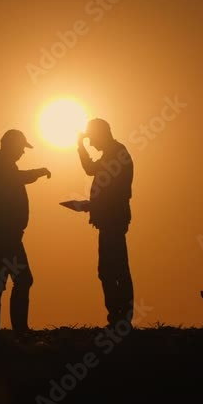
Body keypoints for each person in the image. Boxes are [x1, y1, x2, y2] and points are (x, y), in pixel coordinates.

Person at [0, 129, 51, 333]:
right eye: (20, 148)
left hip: (0, 234)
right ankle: (18, 331)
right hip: (2, 236)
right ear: (10, 146)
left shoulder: (0, 165)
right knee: (21, 279)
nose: (22, 152)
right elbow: (16, 178)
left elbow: (15, 178)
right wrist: (39, 171)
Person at [77, 118, 135, 327]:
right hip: (111, 219)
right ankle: (119, 317)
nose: (91, 143)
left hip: (113, 220)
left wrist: (91, 206)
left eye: (92, 138)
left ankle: (121, 317)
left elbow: (113, 193)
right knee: (112, 269)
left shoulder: (117, 155)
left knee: (114, 269)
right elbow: (92, 170)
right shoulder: (114, 154)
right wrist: (80, 145)